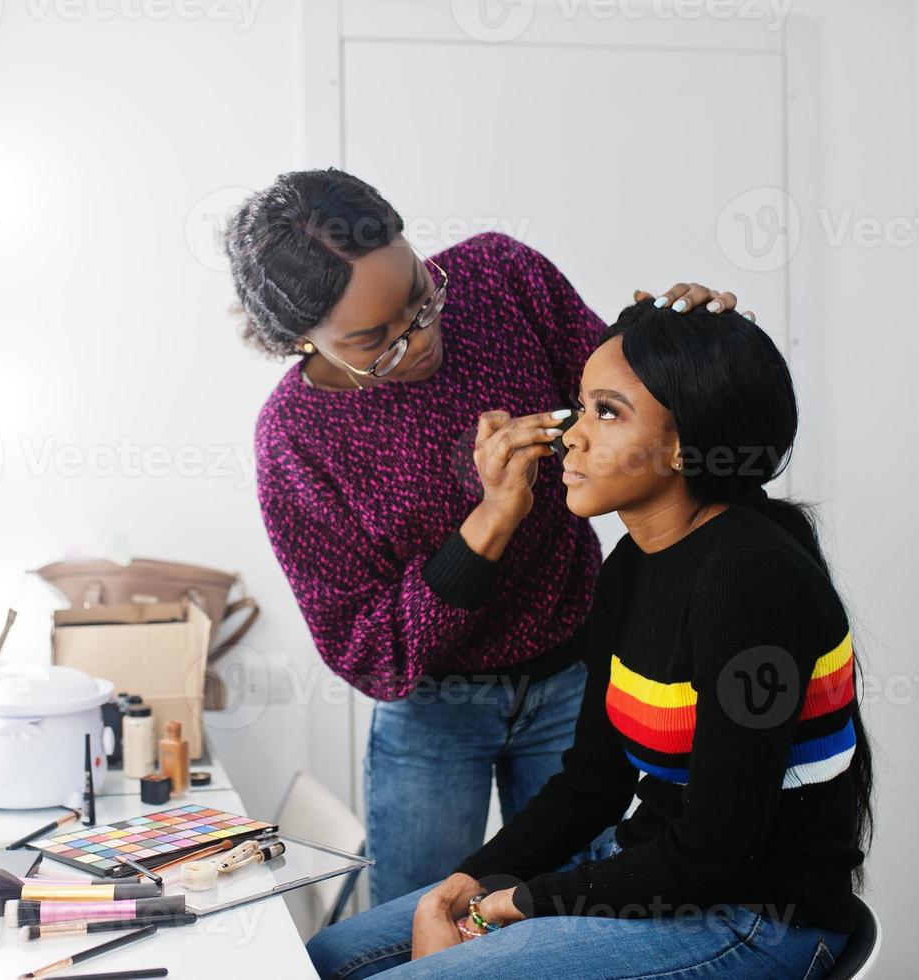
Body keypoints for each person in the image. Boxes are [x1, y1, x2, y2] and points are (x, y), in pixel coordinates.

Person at [305, 299, 874, 979]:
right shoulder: (630, 566)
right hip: (662, 892)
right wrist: (471, 879)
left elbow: (716, 854)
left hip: (755, 922)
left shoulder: (747, 581)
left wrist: (503, 908)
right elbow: (590, 785)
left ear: (683, 443)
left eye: (606, 411)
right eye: (579, 405)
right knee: (326, 958)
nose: (571, 433)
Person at [225, 168, 747, 903]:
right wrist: (491, 519)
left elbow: (625, 409)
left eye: (419, 297)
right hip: (432, 716)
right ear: (292, 339)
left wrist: (690, 346)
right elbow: (368, 652)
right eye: (373, 339)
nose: (421, 336)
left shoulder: (498, 276)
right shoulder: (296, 439)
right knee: (420, 937)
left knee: (576, 925)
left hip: (579, 677)